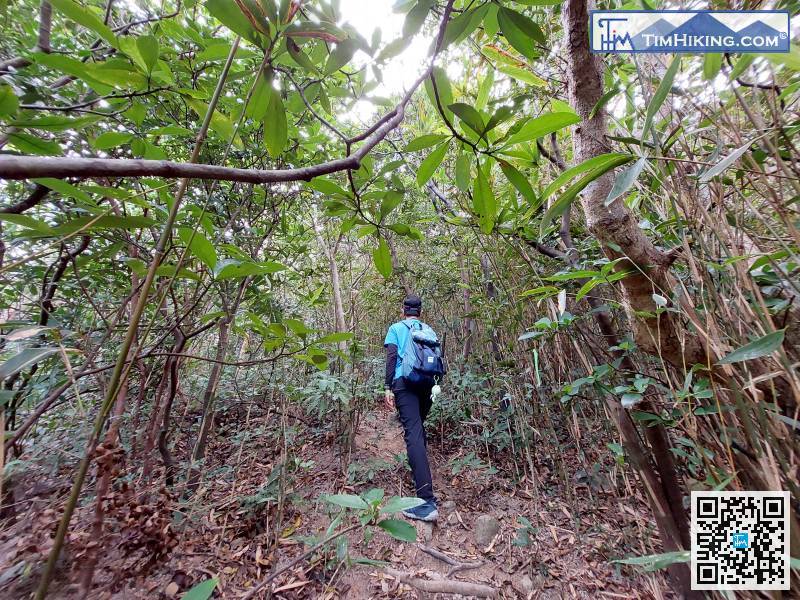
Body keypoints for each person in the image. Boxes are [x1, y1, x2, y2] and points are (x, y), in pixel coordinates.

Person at [383, 294, 438, 522]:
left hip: (404, 383)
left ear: (403, 309)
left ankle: (426, 502)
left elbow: (392, 356)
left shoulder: (396, 328)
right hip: (427, 384)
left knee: (413, 434)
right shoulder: (429, 330)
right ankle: (420, 474)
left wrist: (387, 386)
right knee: (418, 431)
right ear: (420, 312)